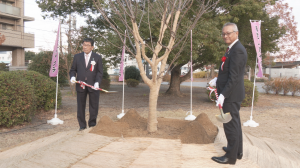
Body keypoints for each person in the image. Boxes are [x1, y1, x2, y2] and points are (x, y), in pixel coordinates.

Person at [209, 23, 247, 165]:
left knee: (230, 125)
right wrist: (217, 79)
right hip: (232, 93)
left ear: (236, 33)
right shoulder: (232, 49)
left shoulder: (237, 50)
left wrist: (223, 95)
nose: (225, 36)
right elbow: (228, 71)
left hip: (231, 94)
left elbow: (234, 77)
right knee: (235, 124)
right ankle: (237, 151)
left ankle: (230, 157)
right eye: (223, 33)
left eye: (228, 33)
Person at [69, 38, 103, 131]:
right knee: (80, 106)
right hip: (81, 85)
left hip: (93, 86)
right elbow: (73, 70)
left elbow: (100, 72)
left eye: (87, 45)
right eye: (84, 44)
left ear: (92, 47)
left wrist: (97, 82)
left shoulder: (97, 57)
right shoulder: (77, 57)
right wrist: (72, 77)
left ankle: (92, 124)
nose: (85, 47)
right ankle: (82, 125)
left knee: (94, 106)